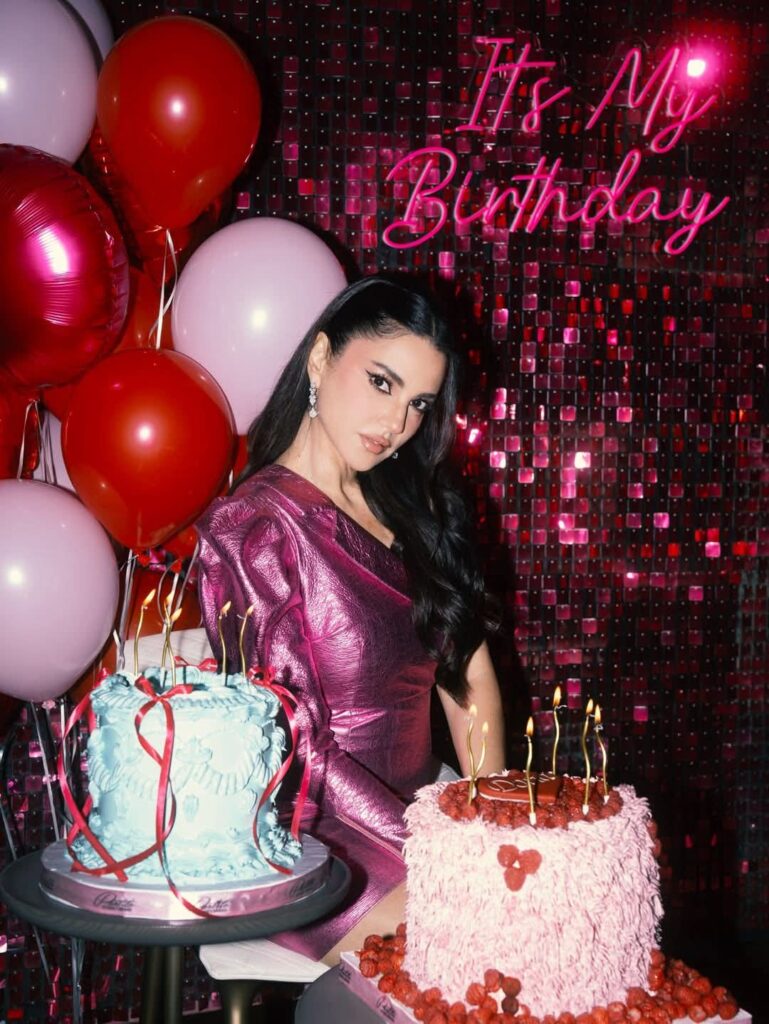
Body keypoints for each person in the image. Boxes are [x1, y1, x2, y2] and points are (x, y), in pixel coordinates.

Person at [196, 274, 506, 965]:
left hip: (424, 808)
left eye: (419, 403)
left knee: (550, 919)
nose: (397, 423)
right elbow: (294, 746)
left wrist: (487, 814)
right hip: (314, 835)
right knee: (484, 954)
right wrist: (433, 843)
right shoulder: (253, 529)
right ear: (319, 358)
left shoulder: (413, 509)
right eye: (381, 382)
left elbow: (468, 677)